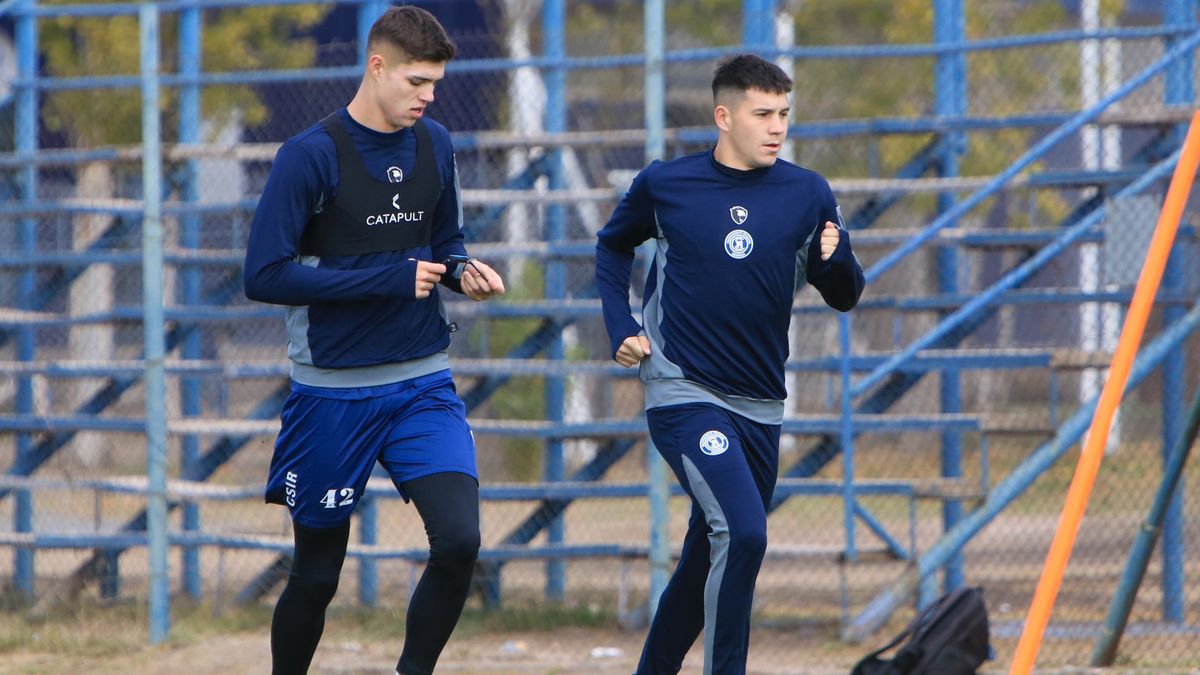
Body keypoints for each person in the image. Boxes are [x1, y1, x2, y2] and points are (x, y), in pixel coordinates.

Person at [243, 6, 505, 674]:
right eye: (417, 80)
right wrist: (388, 278)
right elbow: (263, 275)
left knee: (459, 541)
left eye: (438, 83)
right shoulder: (310, 155)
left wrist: (462, 273)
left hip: (422, 383)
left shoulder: (436, 144)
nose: (430, 95)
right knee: (317, 574)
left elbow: (443, 245)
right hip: (333, 393)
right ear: (377, 65)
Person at [594, 54, 865, 674]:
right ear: (724, 116)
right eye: (763, 113)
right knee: (743, 533)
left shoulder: (808, 192)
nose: (777, 127)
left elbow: (845, 292)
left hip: (761, 406)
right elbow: (612, 248)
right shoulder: (667, 185)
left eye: (784, 114)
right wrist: (621, 324)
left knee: (702, 560)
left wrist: (837, 254)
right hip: (683, 391)